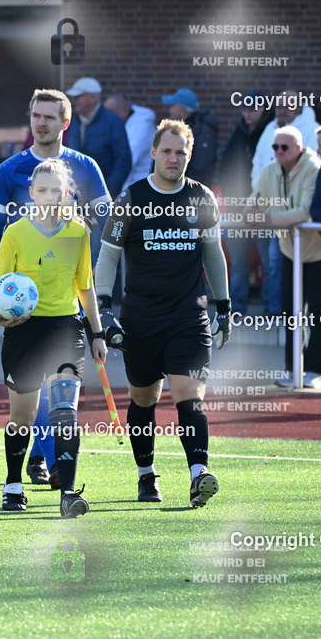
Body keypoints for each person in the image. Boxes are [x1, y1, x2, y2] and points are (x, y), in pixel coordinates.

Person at [0, 89, 111, 489]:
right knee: (28, 405)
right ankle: (33, 464)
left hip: (66, 308)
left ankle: (57, 468)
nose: (41, 123)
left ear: (65, 122)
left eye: (49, 116)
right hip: (22, 315)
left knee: (60, 398)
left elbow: (111, 224)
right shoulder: (9, 170)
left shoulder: (86, 167)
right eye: (36, 116)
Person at [95, 119, 231, 508]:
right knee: (144, 398)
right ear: (153, 152)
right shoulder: (131, 198)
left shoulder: (202, 198)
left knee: (190, 394)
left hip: (189, 317)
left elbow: (213, 255)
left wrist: (224, 306)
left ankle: (198, 475)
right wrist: (103, 308)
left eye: (181, 152)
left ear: (190, 155)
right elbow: (108, 256)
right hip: (141, 319)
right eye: (167, 151)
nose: (174, 158)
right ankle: (146, 475)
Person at [0, 159, 104, 516]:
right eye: (42, 190)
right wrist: (2, 316)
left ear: (65, 193)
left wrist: (97, 332)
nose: (49, 196)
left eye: (56, 190)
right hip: (23, 331)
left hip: (64, 330)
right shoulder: (15, 233)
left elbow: (85, 287)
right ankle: (13, 484)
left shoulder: (78, 234)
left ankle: (68, 493)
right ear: (32, 193)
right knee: (22, 418)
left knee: (64, 413)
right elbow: (0, 288)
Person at [245, 126, 321, 388]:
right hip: (289, 251)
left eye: (284, 147)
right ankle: (292, 368)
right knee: (290, 313)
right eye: (275, 147)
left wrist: (268, 219)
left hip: (318, 253)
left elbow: (305, 212)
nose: (278, 151)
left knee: (318, 313)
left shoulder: (314, 168)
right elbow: (253, 205)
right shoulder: (270, 170)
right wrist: (255, 215)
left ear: (298, 149)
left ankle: (315, 369)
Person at [219, 90, 276, 315]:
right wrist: (233, 204)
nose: (247, 114)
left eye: (253, 109)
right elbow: (226, 170)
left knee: (270, 263)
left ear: (263, 110)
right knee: (238, 263)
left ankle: (272, 311)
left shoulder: (271, 134)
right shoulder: (238, 134)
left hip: (263, 210)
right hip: (236, 209)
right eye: (244, 109)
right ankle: (236, 310)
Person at [65, 77, 131, 198]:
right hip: (77, 196)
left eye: (78, 97)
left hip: (103, 196)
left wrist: (109, 191)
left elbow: (123, 161)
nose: (74, 101)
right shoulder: (74, 123)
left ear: (92, 98)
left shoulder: (112, 122)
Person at [161, 88, 218, 187]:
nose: (169, 110)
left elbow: (200, 171)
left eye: (172, 106)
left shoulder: (201, 133)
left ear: (182, 109)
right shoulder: (182, 130)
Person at [104, 93, 156, 186]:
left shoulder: (141, 127)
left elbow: (127, 160)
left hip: (138, 185)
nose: (107, 118)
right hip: (127, 184)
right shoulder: (125, 123)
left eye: (110, 113)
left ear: (121, 110)